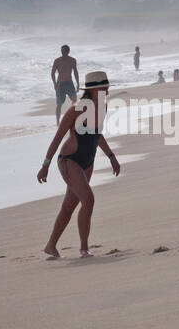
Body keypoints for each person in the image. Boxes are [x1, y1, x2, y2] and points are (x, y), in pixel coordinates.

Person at [37, 72, 120, 258]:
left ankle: (51, 246)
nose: (106, 90)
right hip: (70, 160)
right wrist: (45, 165)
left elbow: (97, 134)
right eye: (103, 87)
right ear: (92, 90)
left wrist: (111, 156)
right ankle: (84, 249)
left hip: (87, 162)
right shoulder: (76, 109)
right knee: (88, 200)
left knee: (69, 206)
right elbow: (57, 138)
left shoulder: (102, 107)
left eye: (107, 87)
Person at [51, 45, 80, 125]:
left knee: (74, 100)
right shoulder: (57, 60)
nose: (62, 53)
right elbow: (52, 73)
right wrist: (54, 83)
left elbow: (75, 72)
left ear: (68, 51)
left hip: (69, 83)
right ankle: (57, 121)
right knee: (59, 103)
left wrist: (77, 83)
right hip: (60, 84)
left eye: (64, 51)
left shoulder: (72, 60)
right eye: (61, 51)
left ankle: (71, 117)